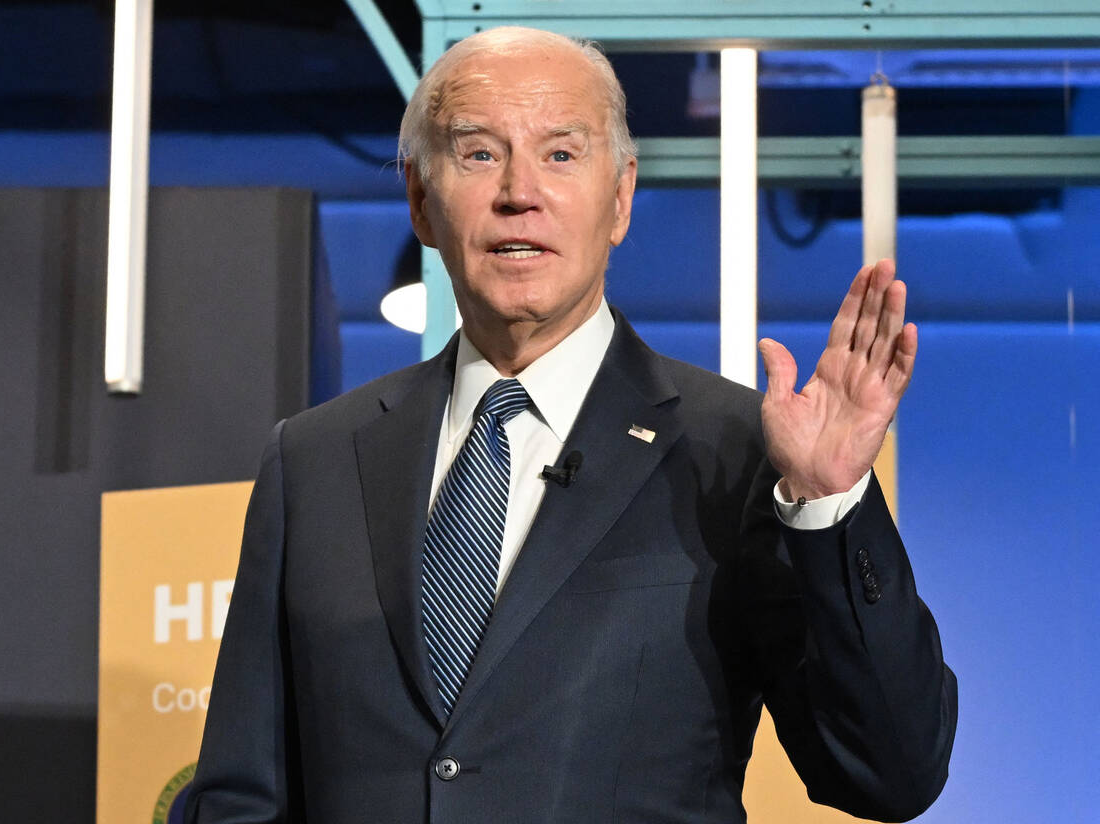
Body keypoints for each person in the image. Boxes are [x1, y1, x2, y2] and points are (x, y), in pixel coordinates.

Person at [186, 26, 956, 823]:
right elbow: (243, 794)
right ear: (420, 198)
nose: (521, 191)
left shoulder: (733, 453)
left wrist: (830, 506)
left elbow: (890, 772)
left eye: (561, 154)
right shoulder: (314, 460)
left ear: (620, 197)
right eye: (480, 154)